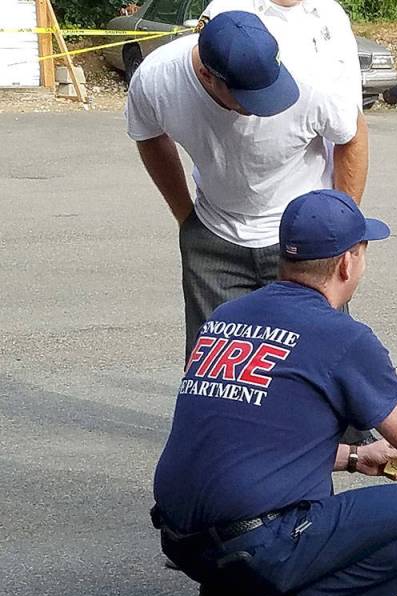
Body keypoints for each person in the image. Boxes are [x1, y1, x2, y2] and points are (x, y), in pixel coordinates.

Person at [151, 189, 397, 596]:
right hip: (255, 545)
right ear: (347, 262)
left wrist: (354, 457)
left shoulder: (225, 317)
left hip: (182, 541)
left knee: (241, 465)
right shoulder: (341, 336)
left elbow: (250, 438)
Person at [125, 11, 363, 360]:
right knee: (217, 369)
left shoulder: (310, 77)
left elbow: (352, 136)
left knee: (319, 361)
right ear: (207, 75)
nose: (264, 105)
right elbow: (148, 135)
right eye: (249, 98)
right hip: (214, 237)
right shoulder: (157, 80)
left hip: (301, 240)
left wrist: (342, 226)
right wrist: (187, 218)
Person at [198, 0, 368, 202]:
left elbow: (351, 120)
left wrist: (345, 215)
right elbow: (202, 97)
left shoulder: (332, 14)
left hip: (314, 205)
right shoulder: (225, 10)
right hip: (233, 208)